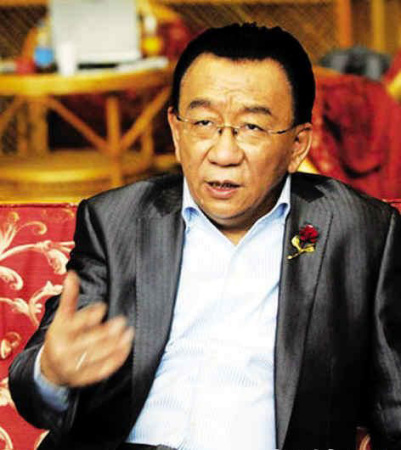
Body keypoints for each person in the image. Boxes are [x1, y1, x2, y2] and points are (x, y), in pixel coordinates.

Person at [9, 23, 401, 450]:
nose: (223, 153)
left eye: (252, 127)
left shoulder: (360, 230)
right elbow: (33, 387)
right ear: (177, 133)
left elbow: (394, 404)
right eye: (203, 122)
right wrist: (52, 373)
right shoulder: (117, 220)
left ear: (297, 145)